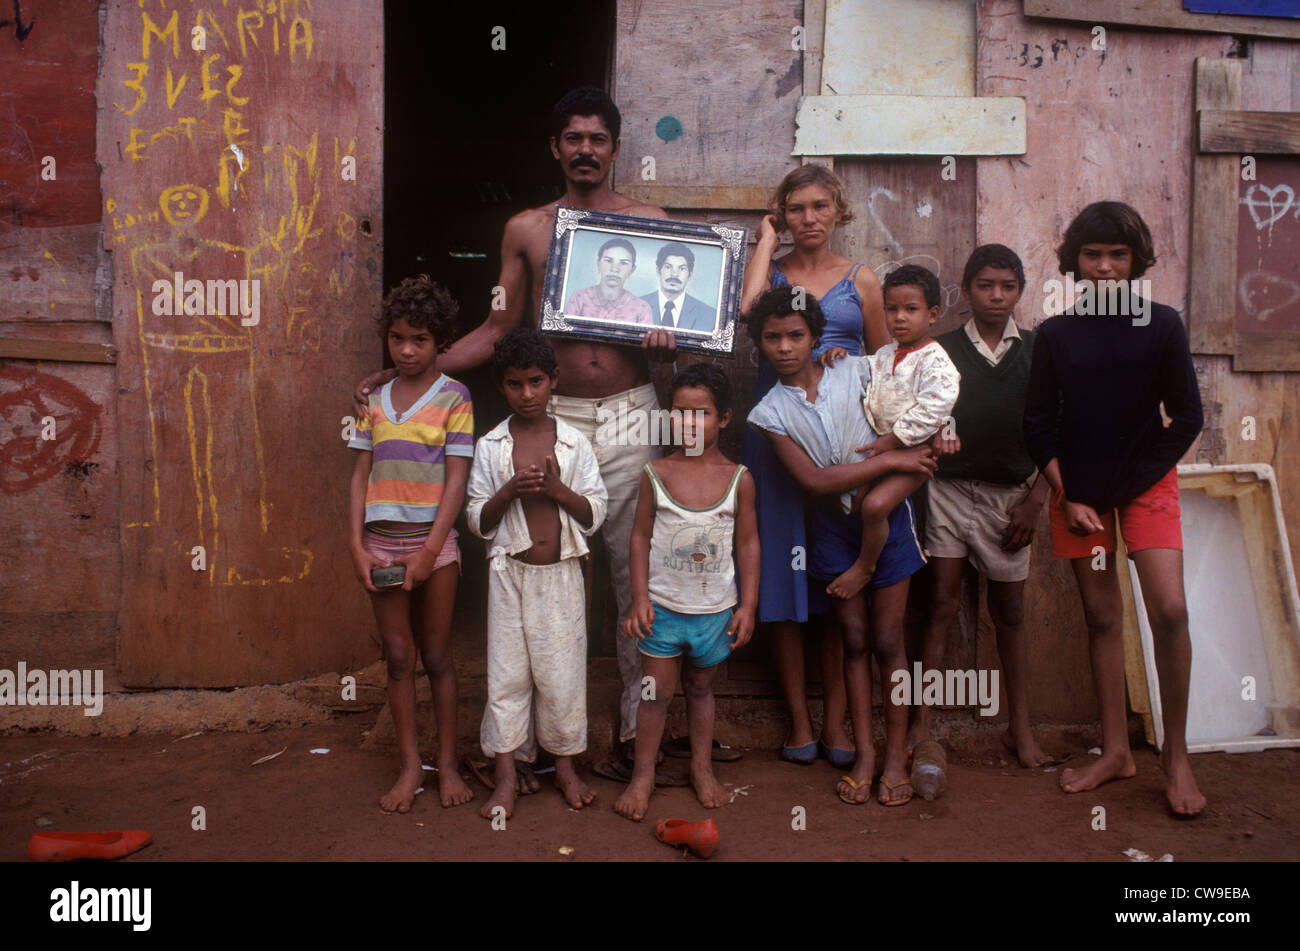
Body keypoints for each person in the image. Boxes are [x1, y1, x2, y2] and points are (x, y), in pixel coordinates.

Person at [354, 87, 676, 786]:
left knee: (631, 574)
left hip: (629, 410)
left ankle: (629, 736)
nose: (586, 149)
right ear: (554, 148)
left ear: (616, 148)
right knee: (529, 570)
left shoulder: (652, 224)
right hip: (547, 418)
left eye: (598, 138)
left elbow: (685, 314)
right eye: (573, 138)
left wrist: (670, 337)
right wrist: (412, 370)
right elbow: (500, 326)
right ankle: (527, 745)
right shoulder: (528, 229)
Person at [1023, 201, 1206, 816]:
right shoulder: (1055, 334)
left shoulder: (1163, 325)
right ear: (1074, 261)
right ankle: (1115, 752)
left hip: (1146, 487)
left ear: (1137, 262)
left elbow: (1187, 418)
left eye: (1118, 255)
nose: (1104, 267)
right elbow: (1038, 426)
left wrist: (1133, 480)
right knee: (1102, 618)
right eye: (1093, 254)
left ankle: (1176, 756)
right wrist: (1069, 493)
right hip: (1079, 498)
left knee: (1172, 612)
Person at [746, 287, 935, 806]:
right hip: (832, 529)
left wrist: (916, 449)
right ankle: (867, 753)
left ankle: (896, 754)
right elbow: (814, 481)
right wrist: (889, 463)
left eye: (795, 335)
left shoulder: (856, 372)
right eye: (772, 338)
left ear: (814, 337)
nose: (784, 347)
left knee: (889, 642)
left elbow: (917, 402)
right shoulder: (768, 413)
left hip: (888, 519)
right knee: (853, 641)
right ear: (759, 344)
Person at [738, 165, 889, 769]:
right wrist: (762, 242)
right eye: (795, 209)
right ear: (783, 215)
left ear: (837, 212)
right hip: (777, 435)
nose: (808, 219)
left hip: (844, 445)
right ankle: (799, 720)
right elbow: (750, 314)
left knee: (835, 575)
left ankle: (836, 721)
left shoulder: (861, 280)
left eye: (819, 207)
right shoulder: (770, 275)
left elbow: (884, 368)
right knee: (781, 572)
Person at [914, 244, 1052, 766]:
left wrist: (1037, 500)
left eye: (1008, 286)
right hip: (948, 492)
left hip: (1011, 499)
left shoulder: (1039, 352)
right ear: (966, 290)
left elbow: (1058, 430)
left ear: (1020, 291)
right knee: (940, 605)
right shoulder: (940, 349)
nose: (997, 296)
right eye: (985, 286)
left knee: (1010, 611)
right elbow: (916, 417)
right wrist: (935, 441)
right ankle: (922, 728)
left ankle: (1021, 729)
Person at [466, 328, 608, 819]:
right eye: (513, 384)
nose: (526, 394)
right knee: (507, 676)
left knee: (562, 677)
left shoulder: (573, 443)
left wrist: (556, 489)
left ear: (553, 380)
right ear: (500, 387)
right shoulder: (491, 446)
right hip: (509, 575)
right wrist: (507, 492)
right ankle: (506, 774)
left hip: (562, 577)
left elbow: (595, 514)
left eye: (535, 382)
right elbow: (477, 520)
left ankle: (566, 767)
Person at [347, 275, 476, 814]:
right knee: (398, 658)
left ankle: (446, 763)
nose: (405, 350)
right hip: (378, 544)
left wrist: (429, 552)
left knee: (438, 654)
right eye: (397, 338)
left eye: (419, 340)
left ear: (439, 341)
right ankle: (409, 767)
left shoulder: (455, 398)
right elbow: (359, 475)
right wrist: (356, 546)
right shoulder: (372, 400)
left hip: (434, 546)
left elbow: (456, 481)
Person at [614, 364, 758, 820]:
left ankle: (701, 767)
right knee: (655, 691)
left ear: (724, 418)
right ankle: (643, 775)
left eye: (701, 414)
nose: (688, 423)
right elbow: (638, 536)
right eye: (679, 413)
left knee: (700, 687)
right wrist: (640, 598)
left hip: (714, 608)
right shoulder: (656, 473)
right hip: (663, 607)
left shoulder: (739, 478)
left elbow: (749, 543)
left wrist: (748, 605)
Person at [831, 265, 960, 600]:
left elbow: (936, 406)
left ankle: (866, 566)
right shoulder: (887, 353)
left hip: (915, 454)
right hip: (882, 449)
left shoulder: (935, 360)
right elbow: (865, 372)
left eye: (911, 309)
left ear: (932, 314)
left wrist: (895, 438)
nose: (899, 318)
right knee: (855, 501)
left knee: (875, 506)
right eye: (892, 309)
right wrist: (841, 359)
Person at [566, 238, 655, 325]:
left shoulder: (642, 308)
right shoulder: (579, 298)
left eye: (623, 263)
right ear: (598, 264)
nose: (614, 269)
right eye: (608, 261)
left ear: (632, 270)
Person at [640, 242, 715, 332]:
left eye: (682, 268)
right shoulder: (637, 306)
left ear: (690, 275)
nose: (674, 274)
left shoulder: (710, 315)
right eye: (668, 267)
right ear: (658, 271)